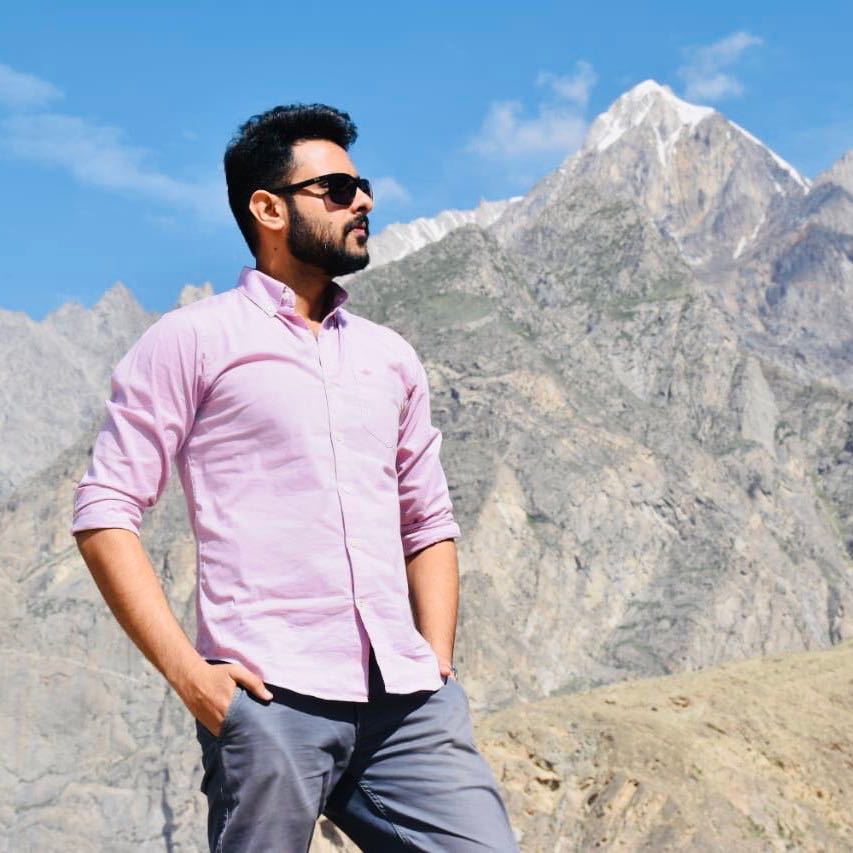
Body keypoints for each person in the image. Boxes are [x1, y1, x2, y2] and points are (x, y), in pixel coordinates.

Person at [70, 103, 519, 852]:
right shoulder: (191, 341)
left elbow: (427, 522)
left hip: (406, 702)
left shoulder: (389, 357)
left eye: (362, 186)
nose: (363, 201)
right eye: (337, 189)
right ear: (269, 208)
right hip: (269, 698)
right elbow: (104, 510)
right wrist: (192, 677)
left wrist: (436, 660)